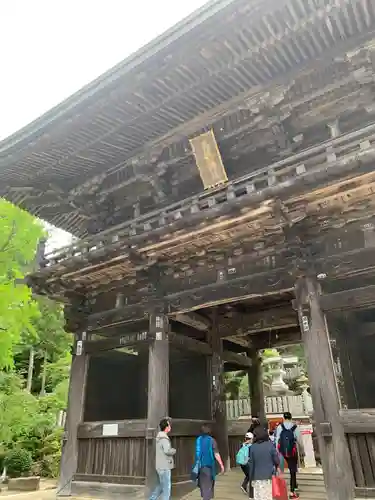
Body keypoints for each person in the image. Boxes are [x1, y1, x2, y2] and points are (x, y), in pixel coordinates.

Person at [275, 412, 305, 499]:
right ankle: (292, 491)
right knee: (293, 470)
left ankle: (281, 490)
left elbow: (277, 440)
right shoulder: (295, 427)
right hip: (292, 451)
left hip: (282, 452)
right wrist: (302, 451)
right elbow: (300, 440)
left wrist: (277, 452)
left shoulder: (280, 427)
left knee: (280, 470)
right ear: (291, 418)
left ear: (283, 418)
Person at [248, 426, 279, 500]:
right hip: (268, 477)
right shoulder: (270, 445)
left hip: (257, 478)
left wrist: (250, 478)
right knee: (267, 496)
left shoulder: (252, 447)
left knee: (258, 497)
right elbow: (277, 460)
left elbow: (251, 465)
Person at [194, 424, 225, 500]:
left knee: (204, 486)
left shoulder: (198, 439)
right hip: (209, 466)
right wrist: (221, 465)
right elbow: (216, 454)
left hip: (200, 466)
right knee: (208, 487)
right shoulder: (212, 440)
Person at [149, 418, 176, 500]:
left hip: (160, 465)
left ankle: (152, 498)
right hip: (165, 466)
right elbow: (167, 451)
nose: (170, 426)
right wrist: (173, 450)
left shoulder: (159, 437)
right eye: (169, 425)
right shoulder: (164, 438)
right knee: (167, 488)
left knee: (161, 485)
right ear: (166, 427)